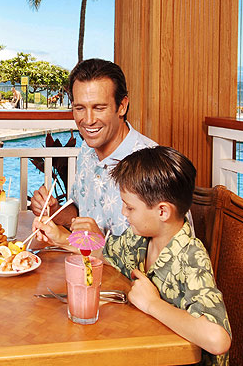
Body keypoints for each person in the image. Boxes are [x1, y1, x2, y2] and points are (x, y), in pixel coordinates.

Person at [36, 146, 232, 366]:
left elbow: (218, 339)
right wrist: (60, 238)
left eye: (130, 208)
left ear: (162, 212)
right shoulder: (143, 236)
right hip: (148, 351)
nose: (123, 213)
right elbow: (108, 252)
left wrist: (152, 304)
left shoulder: (191, 257)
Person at [30, 58, 156, 240]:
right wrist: (54, 210)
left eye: (99, 108)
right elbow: (80, 215)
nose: (88, 120)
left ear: (122, 106)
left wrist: (98, 245)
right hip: (87, 266)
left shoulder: (150, 164)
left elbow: (160, 259)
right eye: (80, 108)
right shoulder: (87, 151)